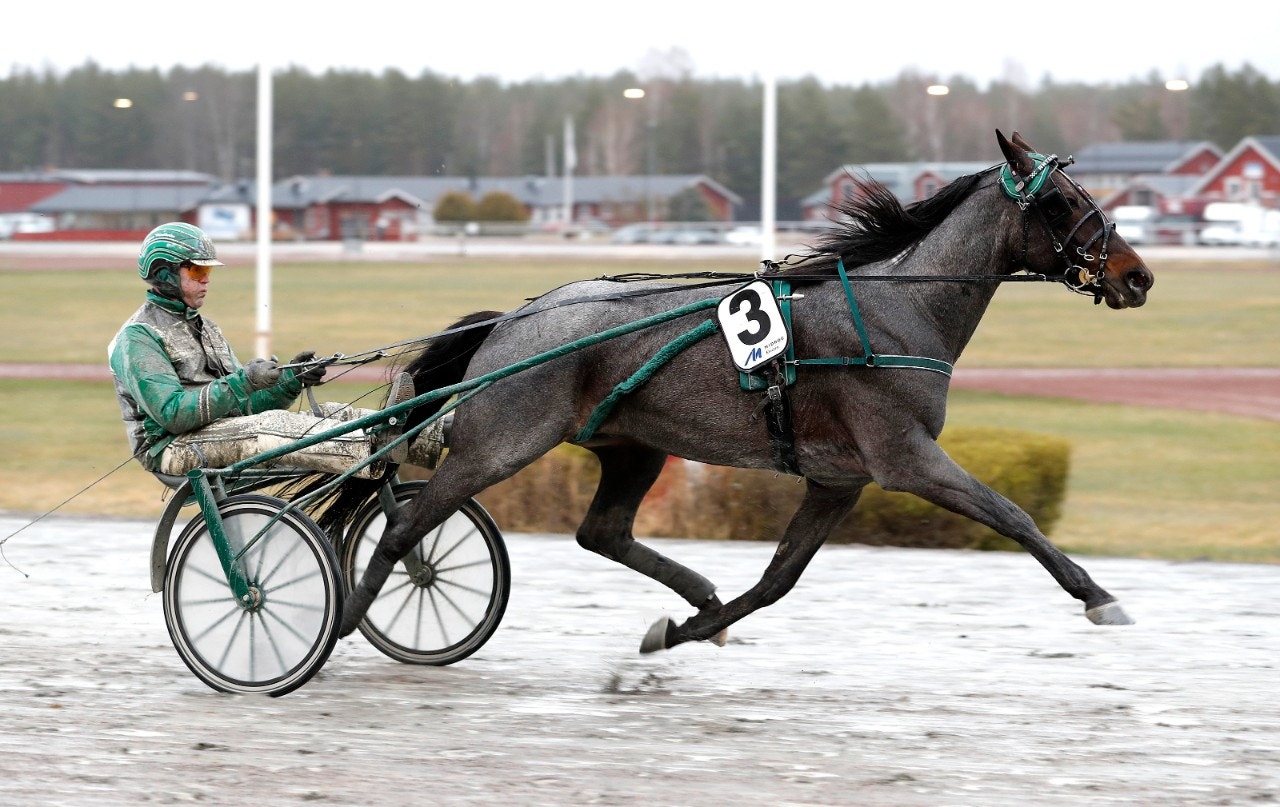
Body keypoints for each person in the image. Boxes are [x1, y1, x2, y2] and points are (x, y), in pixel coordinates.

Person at [108, 222, 440, 484]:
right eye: (197, 271)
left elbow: (246, 407)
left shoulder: (206, 327)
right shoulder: (138, 338)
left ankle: (443, 432)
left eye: (208, 272)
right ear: (165, 274)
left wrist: (288, 383)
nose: (207, 280)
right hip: (171, 448)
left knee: (331, 413)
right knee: (270, 427)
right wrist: (243, 382)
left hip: (220, 433)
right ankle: (373, 447)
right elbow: (173, 414)